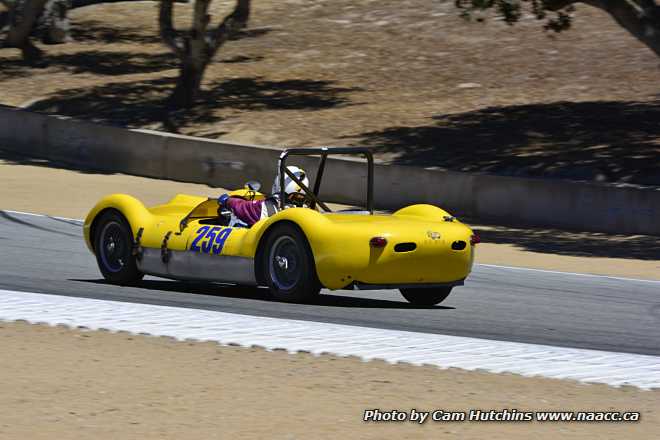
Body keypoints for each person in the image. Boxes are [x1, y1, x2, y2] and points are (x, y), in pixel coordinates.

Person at [218, 166, 309, 227]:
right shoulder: (309, 209)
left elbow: (241, 207)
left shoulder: (265, 207)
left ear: (278, 183)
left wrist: (228, 200)